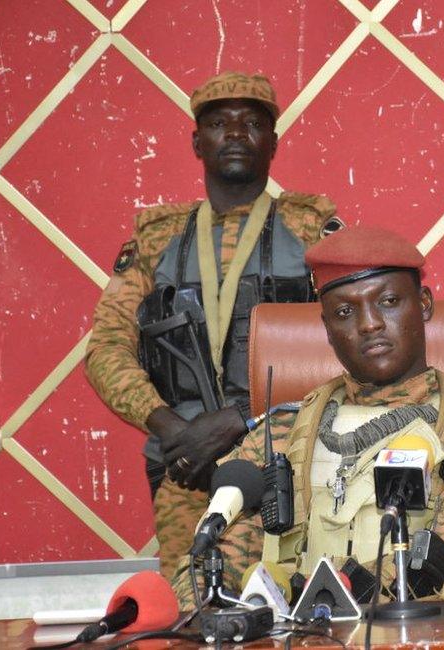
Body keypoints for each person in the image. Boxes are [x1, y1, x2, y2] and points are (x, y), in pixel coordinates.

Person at [172, 225, 444, 605]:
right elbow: (208, 569)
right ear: (326, 328)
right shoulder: (278, 435)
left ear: (424, 304)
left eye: (389, 302)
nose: (370, 324)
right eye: (345, 312)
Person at [85, 71, 342, 578]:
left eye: (252, 123)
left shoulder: (313, 230)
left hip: (289, 457)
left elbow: (350, 346)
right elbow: (106, 351)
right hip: (184, 467)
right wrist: (177, 431)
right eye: (219, 123)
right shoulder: (156, 241)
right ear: (197, 142)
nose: (236, 133)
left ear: (274, 142)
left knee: (297, 599)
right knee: (192, 605)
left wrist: (239, 419)